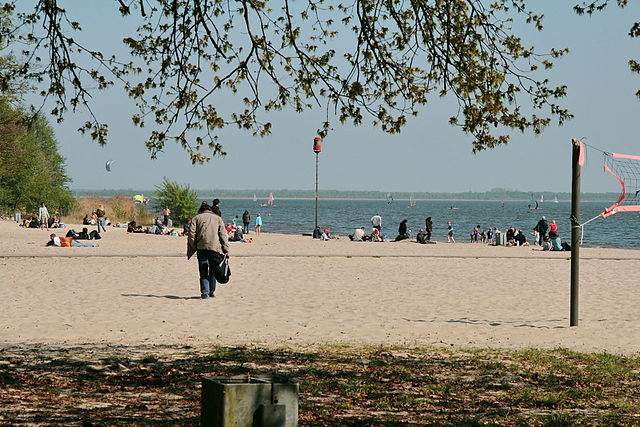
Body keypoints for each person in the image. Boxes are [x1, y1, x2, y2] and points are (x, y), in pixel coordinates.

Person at [187, 203, 229, 299]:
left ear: (201, 210)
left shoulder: (196, 218)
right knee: (213, 270)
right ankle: (211, 291)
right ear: (210, 210)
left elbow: (191, 234)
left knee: (203, 271)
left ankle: (205, 293)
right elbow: (223, 235)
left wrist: (194, 246)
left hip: (201, 248)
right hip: (215, 249)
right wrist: (226, 248)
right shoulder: (218, 218)